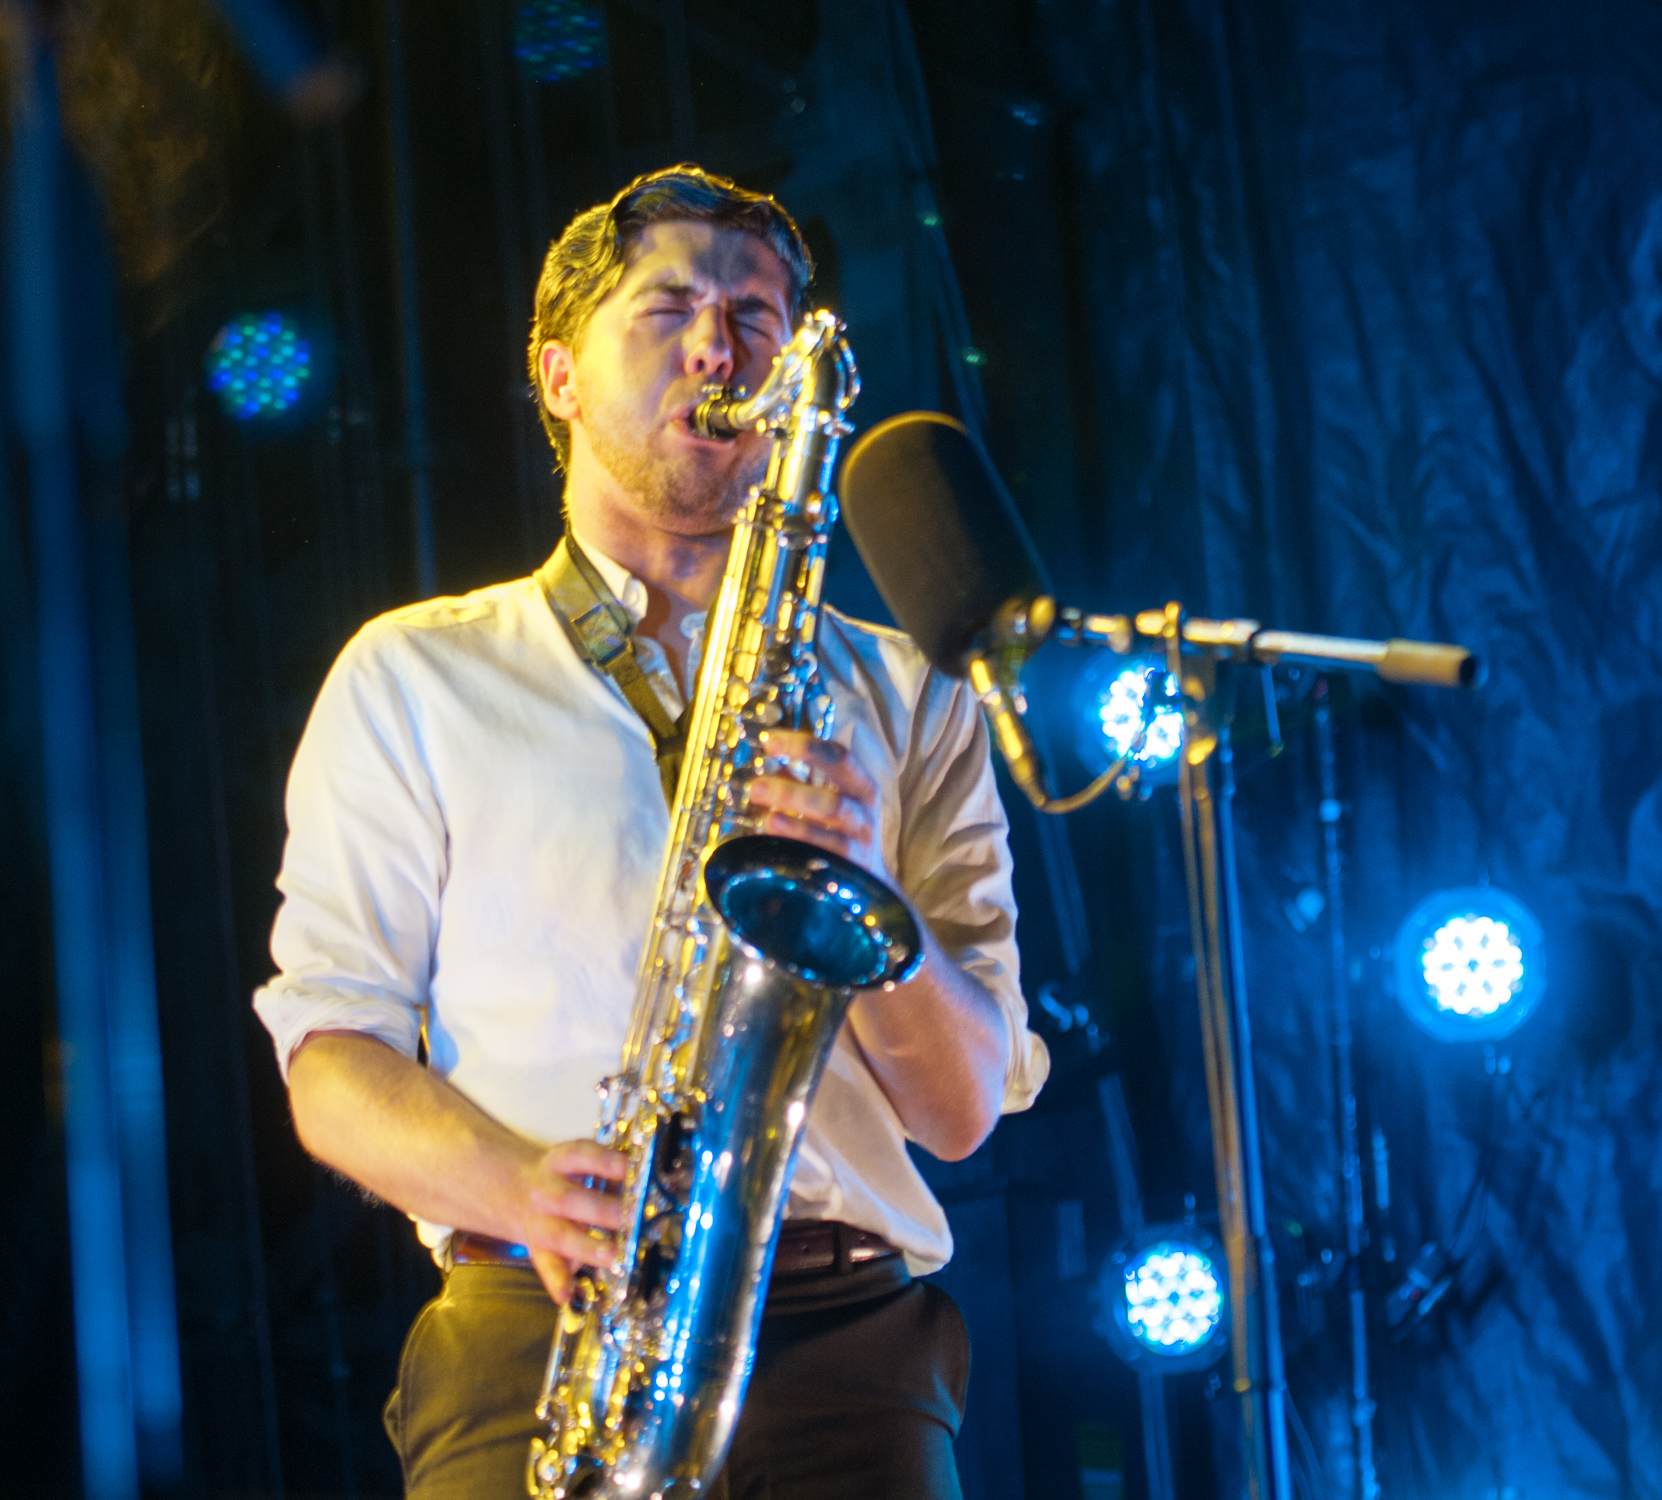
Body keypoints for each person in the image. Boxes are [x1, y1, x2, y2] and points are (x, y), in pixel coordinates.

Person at [254, 164, 1049, 1500]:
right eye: (667, 304)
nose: (715, 343)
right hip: (540, 1328)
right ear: (558, 376)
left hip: (852, 1346)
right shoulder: (413, 674)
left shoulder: (912, 692)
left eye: (753, 315)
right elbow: (332, 1061)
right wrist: (520, 1186)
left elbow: (961, 1111)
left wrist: (863, 907)